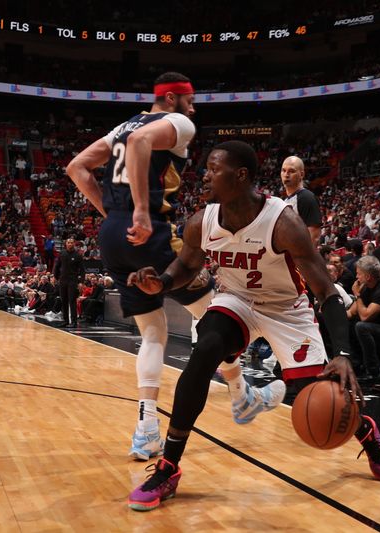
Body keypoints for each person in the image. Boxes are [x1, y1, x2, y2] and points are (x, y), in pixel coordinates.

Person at [127, 141, 380, 511]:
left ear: (241, 176)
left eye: (213, 169)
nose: (204, 176)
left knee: (316, 392)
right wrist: (162, 283)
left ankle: (365, 429)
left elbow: (326, 292)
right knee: (204, 352)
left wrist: (344, 353)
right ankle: (168, 468)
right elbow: (186, 266)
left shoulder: (284, 223)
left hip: (287, 309)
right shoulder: (201, 221)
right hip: (236, 300)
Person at [66, 73, 272, 462]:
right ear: (172, 99)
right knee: (216, 312)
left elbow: (77, 167)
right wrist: (141, 210)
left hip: (112, 236)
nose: (194, 108)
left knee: (153, 332)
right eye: (190, 100)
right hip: (152, 232)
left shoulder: (124, 126)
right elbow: (144, 143)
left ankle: (145, 430)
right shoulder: (179, 124)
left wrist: (114, 215)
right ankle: (242, 395)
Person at [281, 156, 321, 247]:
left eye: (291, 171)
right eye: (283, 170)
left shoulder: (306, 198)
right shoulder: (286, 200)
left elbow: (314, 237)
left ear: (302, 175)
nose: (286, 174)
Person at [53, 238, 84, 328]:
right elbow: (57, 266)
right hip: (62, 280)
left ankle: (74, 322)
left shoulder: (78, 255)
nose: (70, 244)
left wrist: (81, 282)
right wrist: (55, 277)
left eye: (71, 243)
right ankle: (65, 321)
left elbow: (82, 270)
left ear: (74, 244)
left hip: (72, 281)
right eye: (68, 243)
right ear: (66, 244)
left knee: (72, 301)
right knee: (64, 301)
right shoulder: (62, 254)